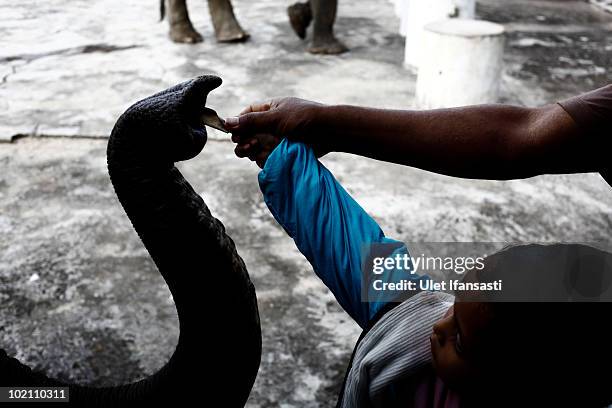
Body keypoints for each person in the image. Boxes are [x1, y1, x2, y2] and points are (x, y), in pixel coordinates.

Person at [226, 85, 612, 406]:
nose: (436, 325)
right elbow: (354, 252)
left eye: (459, 338)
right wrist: (286, 159)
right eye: (454, 305)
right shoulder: (420, 341)